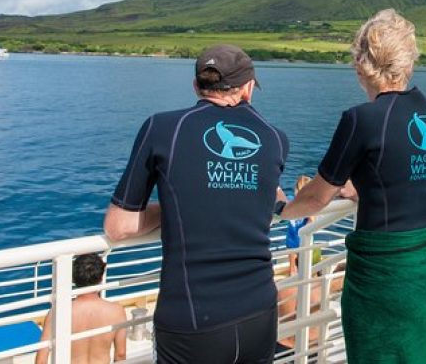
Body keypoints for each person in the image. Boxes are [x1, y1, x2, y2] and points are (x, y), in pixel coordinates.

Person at [279, 9, 426, 363]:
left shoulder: (361, 119)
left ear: (361, 65)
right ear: (407, 60)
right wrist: (360, 189)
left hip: (386, 277)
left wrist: (282, 210)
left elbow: (315, 198)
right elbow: (404, 172)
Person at [103, 44, 288, 364]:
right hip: (258, 310)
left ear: (196, 86)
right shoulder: (275, 138)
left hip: (192, 320)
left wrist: (181, 206)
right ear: (247, 89)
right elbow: (272, 200)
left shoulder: (161, 128)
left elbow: (118, 227)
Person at [35, 253, 126, 364]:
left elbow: (41, 360)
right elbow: (120, 355)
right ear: (101, 277)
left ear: (73, 278)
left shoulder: (57, 312)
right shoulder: (116, 311)